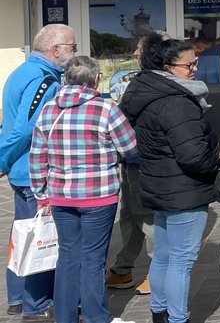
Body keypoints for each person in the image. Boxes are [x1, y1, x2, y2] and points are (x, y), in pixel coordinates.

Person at [29, 56, 136, 323]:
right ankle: (95, 316)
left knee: (67, 256)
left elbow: (37, 157)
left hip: (61, 195)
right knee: (93, 258)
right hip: (99, 195)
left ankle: (64, 316)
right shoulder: (106, 109)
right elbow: (130, 148)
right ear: (96, 78)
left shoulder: (49, 110)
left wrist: (41, 194)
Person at [120, 37, 219, 323]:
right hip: (184, 190)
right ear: (166, 66)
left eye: (196, 63)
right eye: (189, 65)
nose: (194, 70)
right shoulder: (177, 102)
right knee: (181, 261)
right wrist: (216, 164)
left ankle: (159, 312)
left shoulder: (144, 90)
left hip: (158, 184)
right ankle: (177, 318)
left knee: (163, 255)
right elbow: (193, 156)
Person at [0, 24, 75, 320]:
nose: (75, 52)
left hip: (24, 169)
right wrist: (2, 160)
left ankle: (18, 297)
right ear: (56, 50)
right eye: (73, 47)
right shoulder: (42, 78)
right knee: (39, 237)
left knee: (25, 234)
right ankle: (37, 302)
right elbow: (24, 129)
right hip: (33, 172)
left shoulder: (27, 71)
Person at [107, 34, 161, 296]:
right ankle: (122, 269)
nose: (135, 52)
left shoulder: (148, 84)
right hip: (130, 160)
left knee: (147, 217)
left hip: (143, 160)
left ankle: (158, 272)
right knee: (130, 215)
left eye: (140, 49)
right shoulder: (139, 82)